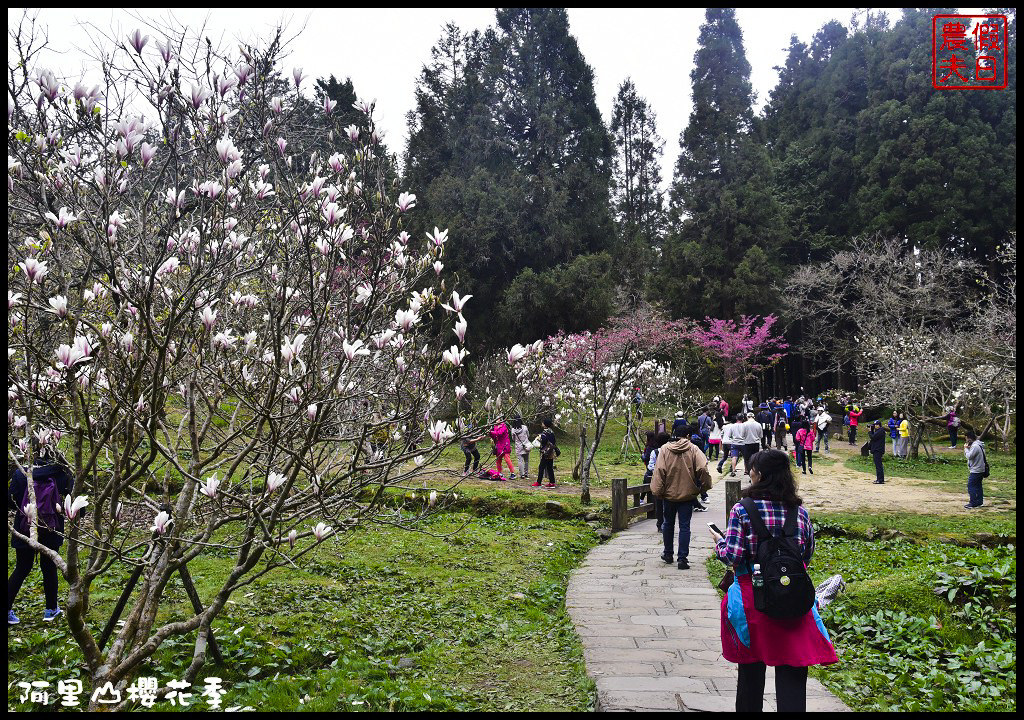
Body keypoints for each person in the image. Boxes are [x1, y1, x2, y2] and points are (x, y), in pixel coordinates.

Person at [710, 449, 838, 712]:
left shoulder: (742, 510)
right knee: (792, 670)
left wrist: (719, 543)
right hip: (792, 600)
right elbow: (806, 555)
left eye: (752, 469)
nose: (750, 472)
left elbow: (732, 556)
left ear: (761, 475)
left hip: (752, 601)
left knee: (750, 673)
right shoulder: (798, 512)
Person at [9, 446, 75, 625]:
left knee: (22, 568)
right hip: (51, 530)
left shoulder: (21, 473)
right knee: (49, 567)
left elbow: (10, 500)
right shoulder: (63, 473)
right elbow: (75, 504)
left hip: (24, 528)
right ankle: (51, 609)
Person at [651, 425, 713, 570]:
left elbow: (659, 470)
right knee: (685, 526)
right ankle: (682, 558)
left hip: (669, 494)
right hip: (687, 494)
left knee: (668, 523)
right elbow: (702, 468)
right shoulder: (693, 449)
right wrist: (704, 487)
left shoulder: (665, 449)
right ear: (688, 436)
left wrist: (658, 491)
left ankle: (667, 553)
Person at [645, 431, 672, 531]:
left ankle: (660, 524)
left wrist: (657, 472)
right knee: (669, 503)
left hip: (658, 480)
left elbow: (650, 465)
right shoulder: (671, 451)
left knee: (659, 503)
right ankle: (667, 523)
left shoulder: (655, 452)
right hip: (670, 480)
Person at [534, 418, 559, 488]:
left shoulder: (545, 433)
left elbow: (543, 441)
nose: (542, 424)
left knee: (541, 467)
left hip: (545, 453)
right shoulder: (552, 432)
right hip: (551, 452)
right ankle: (552, 482)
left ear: (545, 424)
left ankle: (538, 482)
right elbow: (553, 442)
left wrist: (539, 438)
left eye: (543, 423)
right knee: (549, 467)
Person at [963, 430, 985, 508]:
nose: (966, 440)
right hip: (980, 469)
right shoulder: (978, 445)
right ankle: (979, 502)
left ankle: (973, 502)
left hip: (976, 470)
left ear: (969, 438)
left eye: (966, 438)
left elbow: (969, 456)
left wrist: (966, 448)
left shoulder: (975, 446)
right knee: (978, 486)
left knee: (971, 486)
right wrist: (969, 448)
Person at [740, 412, 763, 476]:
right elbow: (761, 435)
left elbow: (742, 435)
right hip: (756, 443)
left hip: (747, 443)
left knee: (747, 459)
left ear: (747, 417)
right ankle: (755, 471)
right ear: (754, 417)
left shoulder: (744, 424)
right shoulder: (758, 424)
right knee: (755, 459)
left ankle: (749, 472)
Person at [510, 417, 532, 483]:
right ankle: (526, 474)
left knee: (520, 460)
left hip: (518, 447)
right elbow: (528, 435)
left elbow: (513, 439)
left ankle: (522, 474)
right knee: (526, 460)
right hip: (526, 446)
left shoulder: (513, 430)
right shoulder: (525, 427)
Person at [868, 420, 886, 484]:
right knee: (878, 465)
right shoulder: (878, 431)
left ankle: (880, 479)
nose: (875, 426)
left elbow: (873, 437)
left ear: (879, 425)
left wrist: (870, 431)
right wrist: (872, 431)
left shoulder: (881, 431)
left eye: (876, 425)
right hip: (876, 449)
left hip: (878, 450)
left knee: (878, 465)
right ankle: (879, 478)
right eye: (875, 425)